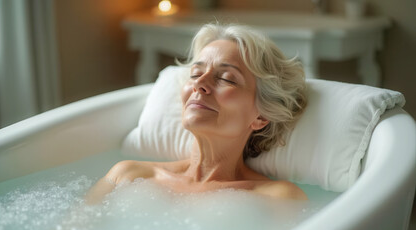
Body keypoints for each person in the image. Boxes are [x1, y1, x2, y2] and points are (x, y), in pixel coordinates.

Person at [85, 23, 308, 204]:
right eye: (195, 73)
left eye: (226, 78)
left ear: (261, 117)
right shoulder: (129, 175)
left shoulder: (276, 198)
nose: (199, 84)